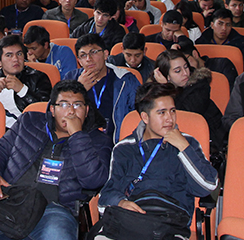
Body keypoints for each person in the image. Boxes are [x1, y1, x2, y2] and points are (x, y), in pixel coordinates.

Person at [0, 80, 112, 240]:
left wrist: (77, 136)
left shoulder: (98, 141)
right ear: (52, 109)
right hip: (10, 200)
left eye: (77, 105)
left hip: (54, 209)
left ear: (86, 110)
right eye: (64, 105)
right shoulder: (29, 122)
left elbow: (94, 181)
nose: (71, 112)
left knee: (57, 235)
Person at [95, 82, 218, 237]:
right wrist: (121, 203)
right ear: (145, 117)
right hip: (132, 220)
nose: (170, 119)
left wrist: (183, 147)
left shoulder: (188, 143)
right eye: (162, 113)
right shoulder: (124, 148)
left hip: (170, 224)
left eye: (172, 111)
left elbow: (207, 186)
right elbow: (105, 197)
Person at [63, 34, 139, 142]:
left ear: (105, 54)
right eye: (83, 55)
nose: (88, 59)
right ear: (79, 61)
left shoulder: (125, 80)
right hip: (78, 141)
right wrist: (79, 89)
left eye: (93, 52)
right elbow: (56, 111)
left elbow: (139, 114)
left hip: (114, 144)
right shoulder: (71, 78)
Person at [152, 49, 226, 154]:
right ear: (166, 76)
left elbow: (183, 116)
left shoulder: (200, 85)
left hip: (208, 143)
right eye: (178, 71)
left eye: (186, 67)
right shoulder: (155, 90)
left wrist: (166, 89)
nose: (185, 73)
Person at [0, 35, 52, 128]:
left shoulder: (38, 77)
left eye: (19, 54)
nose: (15, 59)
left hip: (26, 130)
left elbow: (46, 112)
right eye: (9, 55)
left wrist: (22, 90)